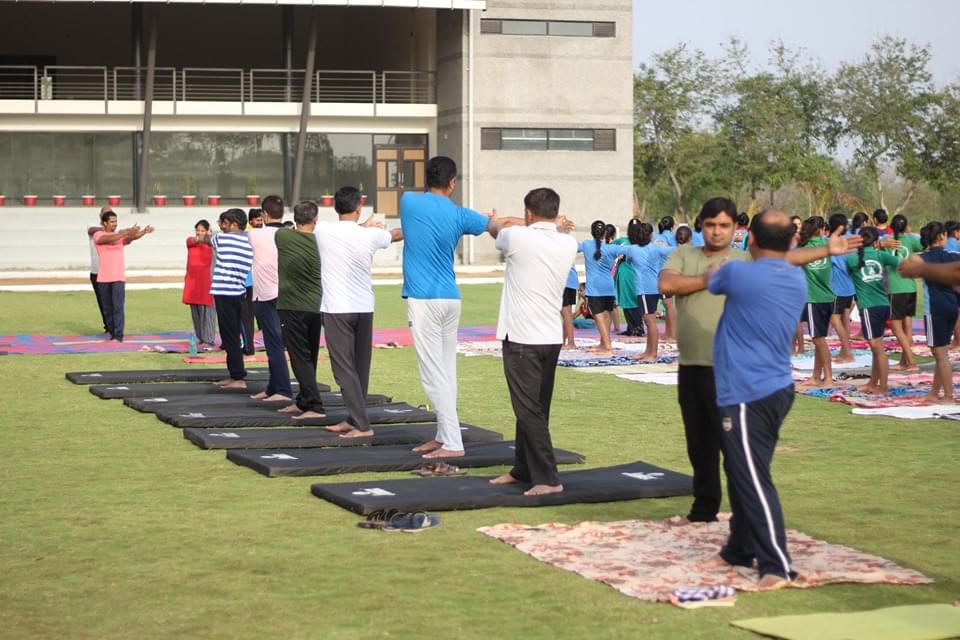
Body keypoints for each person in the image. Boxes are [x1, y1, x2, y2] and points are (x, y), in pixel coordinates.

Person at [660, 197, 860, 524]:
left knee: (737, 449)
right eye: (710, 225)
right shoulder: (684, 254)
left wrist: (826, 250)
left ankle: (746, 517)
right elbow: (667, 283)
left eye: (724, 225)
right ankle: (704, 510)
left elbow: (786, 258)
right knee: (699, 442)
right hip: (692, 363)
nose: (717, 231)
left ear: (736, 229)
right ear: (701, 225)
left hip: (732, 371)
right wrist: (706, 280)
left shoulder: (744, 259)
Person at [704, 210, 807, 590]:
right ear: (791, 241)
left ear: (751, 239)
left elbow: (713, 279)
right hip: (776, 387)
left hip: (747, 392)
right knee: (743, 470)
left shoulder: (737, 273)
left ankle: (777, 565)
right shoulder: (795, 277)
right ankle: (739, 548)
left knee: (752, 478)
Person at [399, 155, 499, 460]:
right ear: (452, 183)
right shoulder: (460, 214)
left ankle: (453, 442)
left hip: (424, 300)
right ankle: (445, 436)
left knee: (433, 374)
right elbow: (495, 224)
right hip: (450, 299)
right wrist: (491, 220)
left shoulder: (408, 201)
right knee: (446, 372)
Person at [489, 187, 577, 496]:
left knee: (528, 411)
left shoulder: (517, 237)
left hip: (522, 338)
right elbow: (533, 228)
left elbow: (496, 229)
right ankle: (523, 469)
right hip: (550, 337)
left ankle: (548, 479)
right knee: (535, 408)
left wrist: (496, 218)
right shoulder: (568, 242)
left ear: (528, 213)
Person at [315, 187, 403, 438]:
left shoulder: (323, 230)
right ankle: (354, 419)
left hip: (337, 309)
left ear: (335, 207)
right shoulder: (371, 235)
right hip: (364, 307)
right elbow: (395, 234)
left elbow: (346, 231)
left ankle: (362, 425)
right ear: (359, 207)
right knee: (359, 367)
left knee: (343, 368)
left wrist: (364, 226)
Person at [275, 201, 327, 419]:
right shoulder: (321, 241)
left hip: (292, 306)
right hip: (316, 306)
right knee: (309, 356)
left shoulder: (282, 236)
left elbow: (284, 229)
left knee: (299, 357)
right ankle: (304, 401)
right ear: (315, 219)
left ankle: (314, 405)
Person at [247, 196, 294, 402]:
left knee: (274, 343)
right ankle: (273, 387)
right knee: (273, 342)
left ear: (265, 214)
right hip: (285, 294)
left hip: (266, 295)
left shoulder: (256, 234)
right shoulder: (289, 234)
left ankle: (282, 389)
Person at [846, 227, 900, 395]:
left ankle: (882, 387)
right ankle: (873, 383)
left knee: (877, 349)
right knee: (877, 348)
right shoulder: (880, 255)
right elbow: (900, 262)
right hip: (883, 304)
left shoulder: (852, 259)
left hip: (869, 307)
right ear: (876, 242)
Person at [92, 209, 154, 342]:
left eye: (116, 221)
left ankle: (118, 335)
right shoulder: (98, 234)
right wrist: (125, 232)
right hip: (103, 278)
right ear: (104, 223)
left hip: (118, 277)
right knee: (107, 309)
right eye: (112, 222)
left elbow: (131, 238)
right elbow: (106, 239)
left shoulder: (119, 236)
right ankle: (112, 332)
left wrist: (143, 231)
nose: (115, 224)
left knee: (118, 307)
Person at [210, 208, 253, 389]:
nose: (223, 227)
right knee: (232, 335)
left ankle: (238, 377)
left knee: (229, 337)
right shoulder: (250, 240)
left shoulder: (222, 238)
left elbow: (208, 239)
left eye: (226, 224)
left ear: (234, 225)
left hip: (225, 293)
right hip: (239, 292)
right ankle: (235, 374)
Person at [917, 222, 960, 403]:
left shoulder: (922, 259)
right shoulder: (953, 256)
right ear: (942, 236)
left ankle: (949, 396)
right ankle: (935, 392)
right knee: (940, 353)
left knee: (940, 354)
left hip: (935, 309)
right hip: (952, 307)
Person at [577, 220, 629, 355]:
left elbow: (571, 247)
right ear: (605, 233)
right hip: (608, 286)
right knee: (606, 316)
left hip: (595, 288)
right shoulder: (612, 248)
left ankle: (607, 346)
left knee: (599, 317)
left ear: (591, 232)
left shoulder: (586, 245)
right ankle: (604, 343)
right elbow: (629, 249)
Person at [624, 221, 673, 361]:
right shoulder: (656, 249)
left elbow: (627, 260)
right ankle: (648, 351)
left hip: (645, 290)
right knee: (649, 322)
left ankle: (652, 353)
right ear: (651, 235)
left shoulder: (632, 250)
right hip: (654, 287)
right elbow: (674, 250)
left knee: (650, 323)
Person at [796, 217, 834, 388]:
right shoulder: (827, 245)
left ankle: (828, 377)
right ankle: (816, 376)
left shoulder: (802, 249)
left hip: (813, 298)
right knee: (820, 339)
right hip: (827, 297)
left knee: (818, 340)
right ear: (820, 230)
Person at [884, 214, 922, 371]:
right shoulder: (911, 240)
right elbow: (924, 245)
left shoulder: (886, 241)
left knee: (896, 327)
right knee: (907, 327)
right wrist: (909, 233)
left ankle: (911, 362)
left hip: (896, 289)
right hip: (910, 287)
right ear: (906, 226)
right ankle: (904, 362)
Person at [183, 219, 216, 349]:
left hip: (207, 281)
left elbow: (213, 241)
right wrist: (199, 239)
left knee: (207, 310)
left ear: (208, 231)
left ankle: (208, 339)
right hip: (193, 282)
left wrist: (208, 237)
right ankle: (201, 337)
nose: (200, 233)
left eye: (203, 230)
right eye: (198, 230)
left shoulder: (212, 244)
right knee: (195, 310)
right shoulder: (191, 242)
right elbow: (191, 241)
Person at [826, 213, 855, 364]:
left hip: (838, 287)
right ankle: (845, 351)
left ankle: (847, 352)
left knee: (834, 319)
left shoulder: (832, 242)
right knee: (845, 319)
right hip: (850, 287)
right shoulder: (850, 240)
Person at [86, 207, 114, 334]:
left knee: (113, 301)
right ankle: (108, 327)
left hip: (110, 271)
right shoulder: (93, 226)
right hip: (96, 271)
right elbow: (91, 230)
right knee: (102, 301)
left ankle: (114, 327)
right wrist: (104, 228)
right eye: (105, 213)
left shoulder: (113, 229)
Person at [613, 221, 643, 337]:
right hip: (630, 274)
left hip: (629, 274)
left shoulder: (633, 242)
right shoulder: (624, 241)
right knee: (628, 301)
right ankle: (632, 327)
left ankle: (637, 327)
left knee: (631, 301)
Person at [241, 207, 264, 355]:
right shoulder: (251, 235)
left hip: (250, 281)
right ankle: (249, 345)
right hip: (250, 280)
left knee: (246, 316)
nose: (260, 222)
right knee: (248, 315)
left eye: (262, 219)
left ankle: (248, 346)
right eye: (258, 220)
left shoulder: (250, 235)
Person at [561, 266, 579, 349]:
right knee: (566, 313)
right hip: (570, 281)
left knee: (566, 313)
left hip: (565, 281)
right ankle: (564, 341)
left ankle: (571, 343)